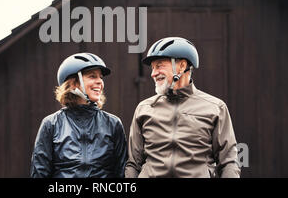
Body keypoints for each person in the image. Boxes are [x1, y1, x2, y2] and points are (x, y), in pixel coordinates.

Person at [125, 37, 240, 178]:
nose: (153, 73)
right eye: (153, 67)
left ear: (181, 66)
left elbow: (228, 162)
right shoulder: (144, 108)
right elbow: (132, 164)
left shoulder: (216, 108)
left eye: (159, 66)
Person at [30, 52, 127, 178]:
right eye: (92, 76)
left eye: (101, 77)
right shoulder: (51, 124)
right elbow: (39, 173)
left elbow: (122, 172)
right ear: (73, 83)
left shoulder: (113, 124)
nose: (100, 82)